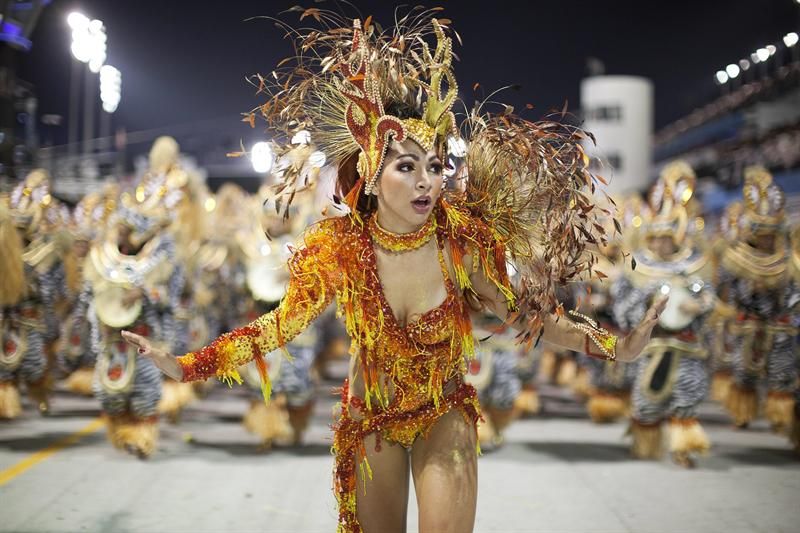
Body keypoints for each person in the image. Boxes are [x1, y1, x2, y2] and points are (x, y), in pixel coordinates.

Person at [122, 10, 666, 532]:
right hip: (369, 418)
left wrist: (616, 347)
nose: (427, 181)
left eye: (434, 166)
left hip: (443, 411)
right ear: (373, 176)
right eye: (407, 167)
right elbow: (278, 325)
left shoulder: (463, 242)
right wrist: (187, 366)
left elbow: (526, 316)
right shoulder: (338, 249)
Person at [612, 162, 715, 467]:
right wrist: (646, 303)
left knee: (688, 394)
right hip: (650, 346)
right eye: (654, 237)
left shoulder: (692, 266)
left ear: (677, 236)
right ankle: (647, 440)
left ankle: (684, 447)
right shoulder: (635, 269)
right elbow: (622, 310)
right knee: (647, 401)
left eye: (665, 237)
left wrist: (698, 306)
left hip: (687, 345)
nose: (659, 242)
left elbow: (708, 298)